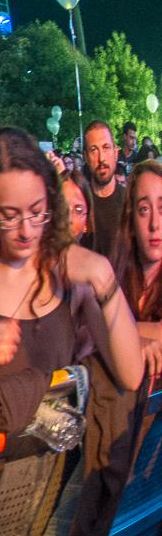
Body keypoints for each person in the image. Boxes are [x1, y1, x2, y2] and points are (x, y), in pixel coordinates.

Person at [0, 127, 144, 391]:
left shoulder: (68, 277)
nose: (26, 231)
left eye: (37, 212)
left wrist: (104, 277)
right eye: (10, 216)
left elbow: (131, 375)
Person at [108, 160, 162, 377]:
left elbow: (99, 329)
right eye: (144, 209)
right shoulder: (112, 275)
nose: (154, 224)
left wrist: (116, 335)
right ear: (130, 218)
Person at [83, 120, 125, 259]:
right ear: (85, 157)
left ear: (115, 152)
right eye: (94, 150)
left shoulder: (130, 202)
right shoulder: (78, 204)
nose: (101, 158)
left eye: (106, 147)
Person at [63, 169, 94, 248]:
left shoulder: (95, 260)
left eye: (78, 210)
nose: (69, 219)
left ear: (86, 223)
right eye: (63, 208)